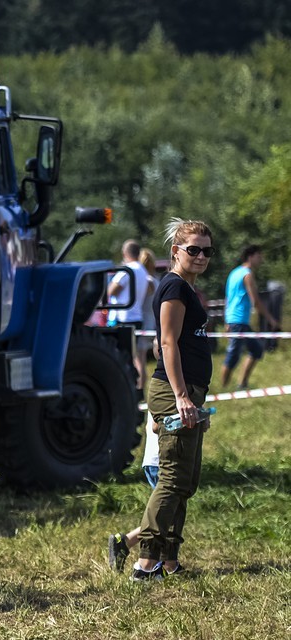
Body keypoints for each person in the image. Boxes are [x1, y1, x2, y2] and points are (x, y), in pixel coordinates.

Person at [132, 219, 214, 581]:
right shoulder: (174, 288)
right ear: (175, 252)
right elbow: (167, 343)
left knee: (186, 480)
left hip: (189, 390)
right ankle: (145, 562)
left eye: (206, 251)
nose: (200, 256)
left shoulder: (185, 288)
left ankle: (169, 560)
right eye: (193, 249)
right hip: (175, 391)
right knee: (172, 479)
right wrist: (181, 396)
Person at [106, 411, 161, 571]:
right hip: (160, 460)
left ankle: (127, 543)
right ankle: (132, 547)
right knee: (166, 513)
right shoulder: (169, 391)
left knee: (167, 512)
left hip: (156, 459)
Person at [220, 245, 279, 390]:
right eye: (259, 256)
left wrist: (226, 320)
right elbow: (256, 301)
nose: (261, 259)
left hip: (236, 320)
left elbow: (228, 299)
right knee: (233, 356)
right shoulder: (247, 274)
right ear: (251, 256)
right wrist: (272, 320)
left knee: (256, 350)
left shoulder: (234, 273)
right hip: (239, 320)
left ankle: (242, 384)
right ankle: (223, 389)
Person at [107, 240, 151, 390]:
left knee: (126, 357)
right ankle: (139, 389)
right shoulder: (142, 270)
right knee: (137, 357)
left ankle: (132, 388)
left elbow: (111, 290)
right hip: (136, 316)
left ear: (125, 253)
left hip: (123, 317)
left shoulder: (127, 269)